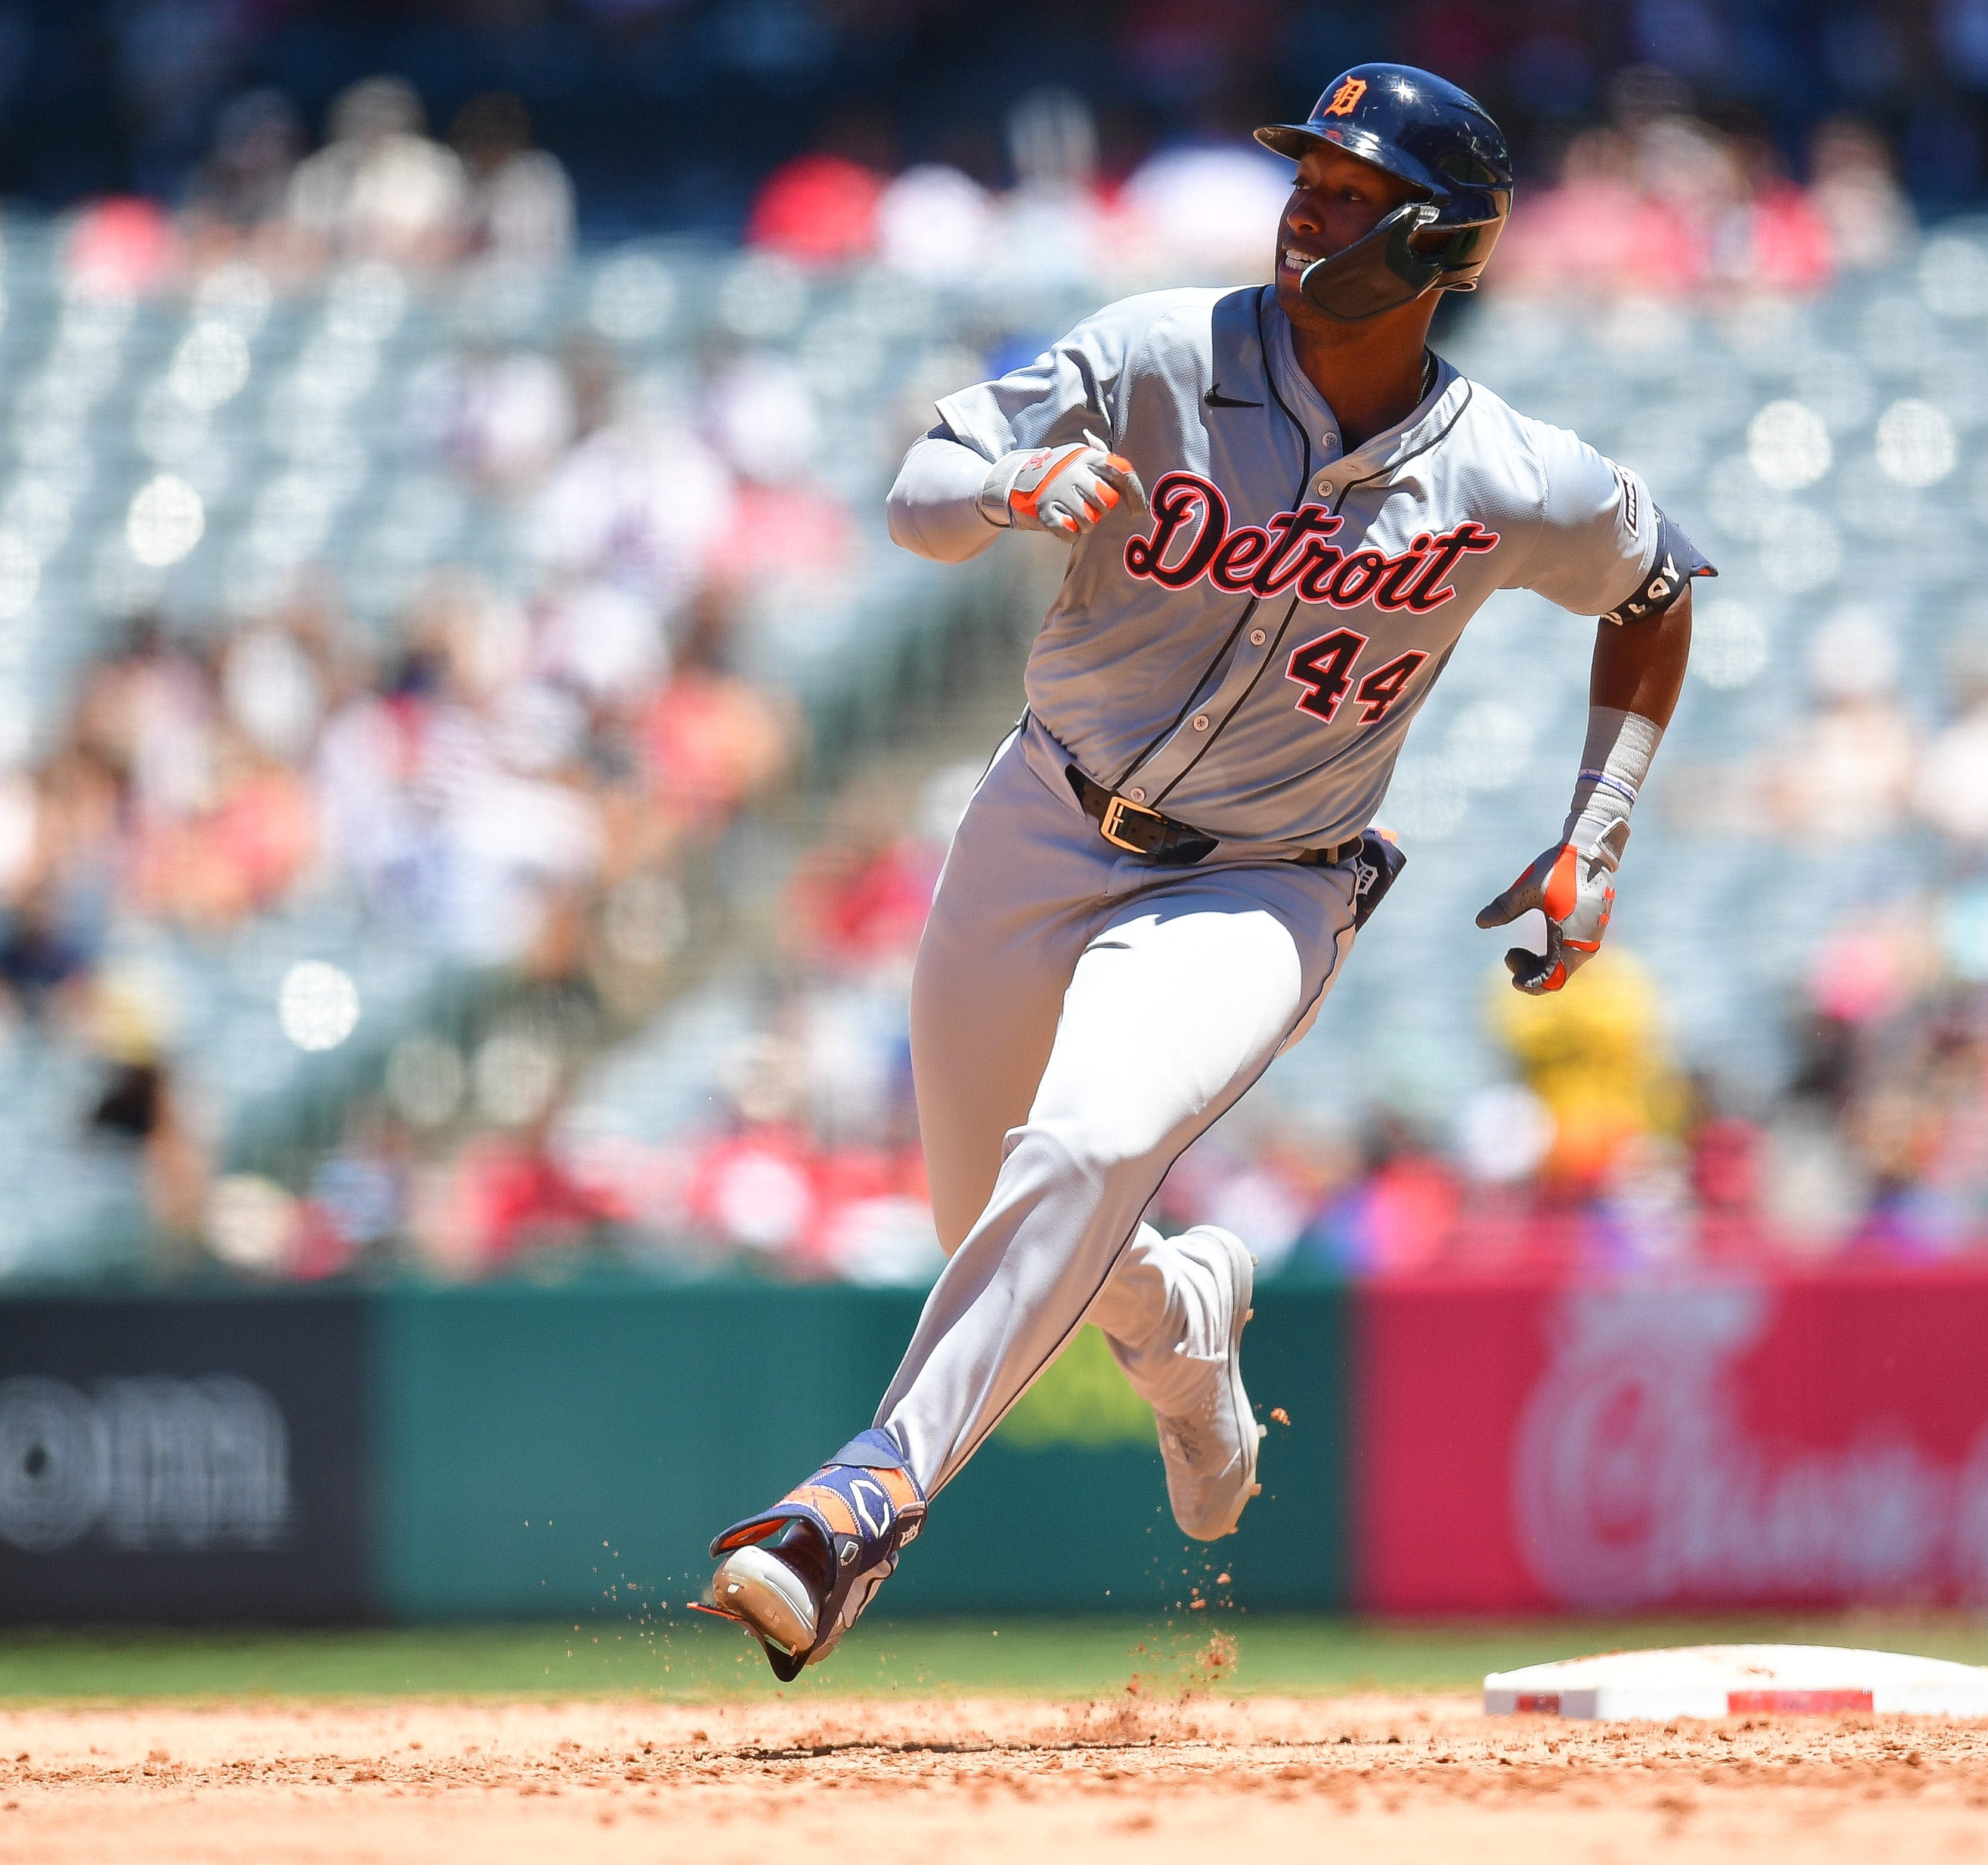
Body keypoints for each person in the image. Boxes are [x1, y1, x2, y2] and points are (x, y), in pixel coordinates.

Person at [692, 66, 1712, 1682]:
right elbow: (917, 496)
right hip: (1037, 823)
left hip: (1266, 882)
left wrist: (1597, 828)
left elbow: (1652, 586)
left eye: (1356, 190)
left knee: (1084, 1141)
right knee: (1003, 1221)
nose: (1311, 202)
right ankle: (1183, 1330)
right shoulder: (1159, 349)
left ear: (1443, 245)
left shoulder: (1508, 472)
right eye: (1308, 172)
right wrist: (1008, 489)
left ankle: (865, 1501)